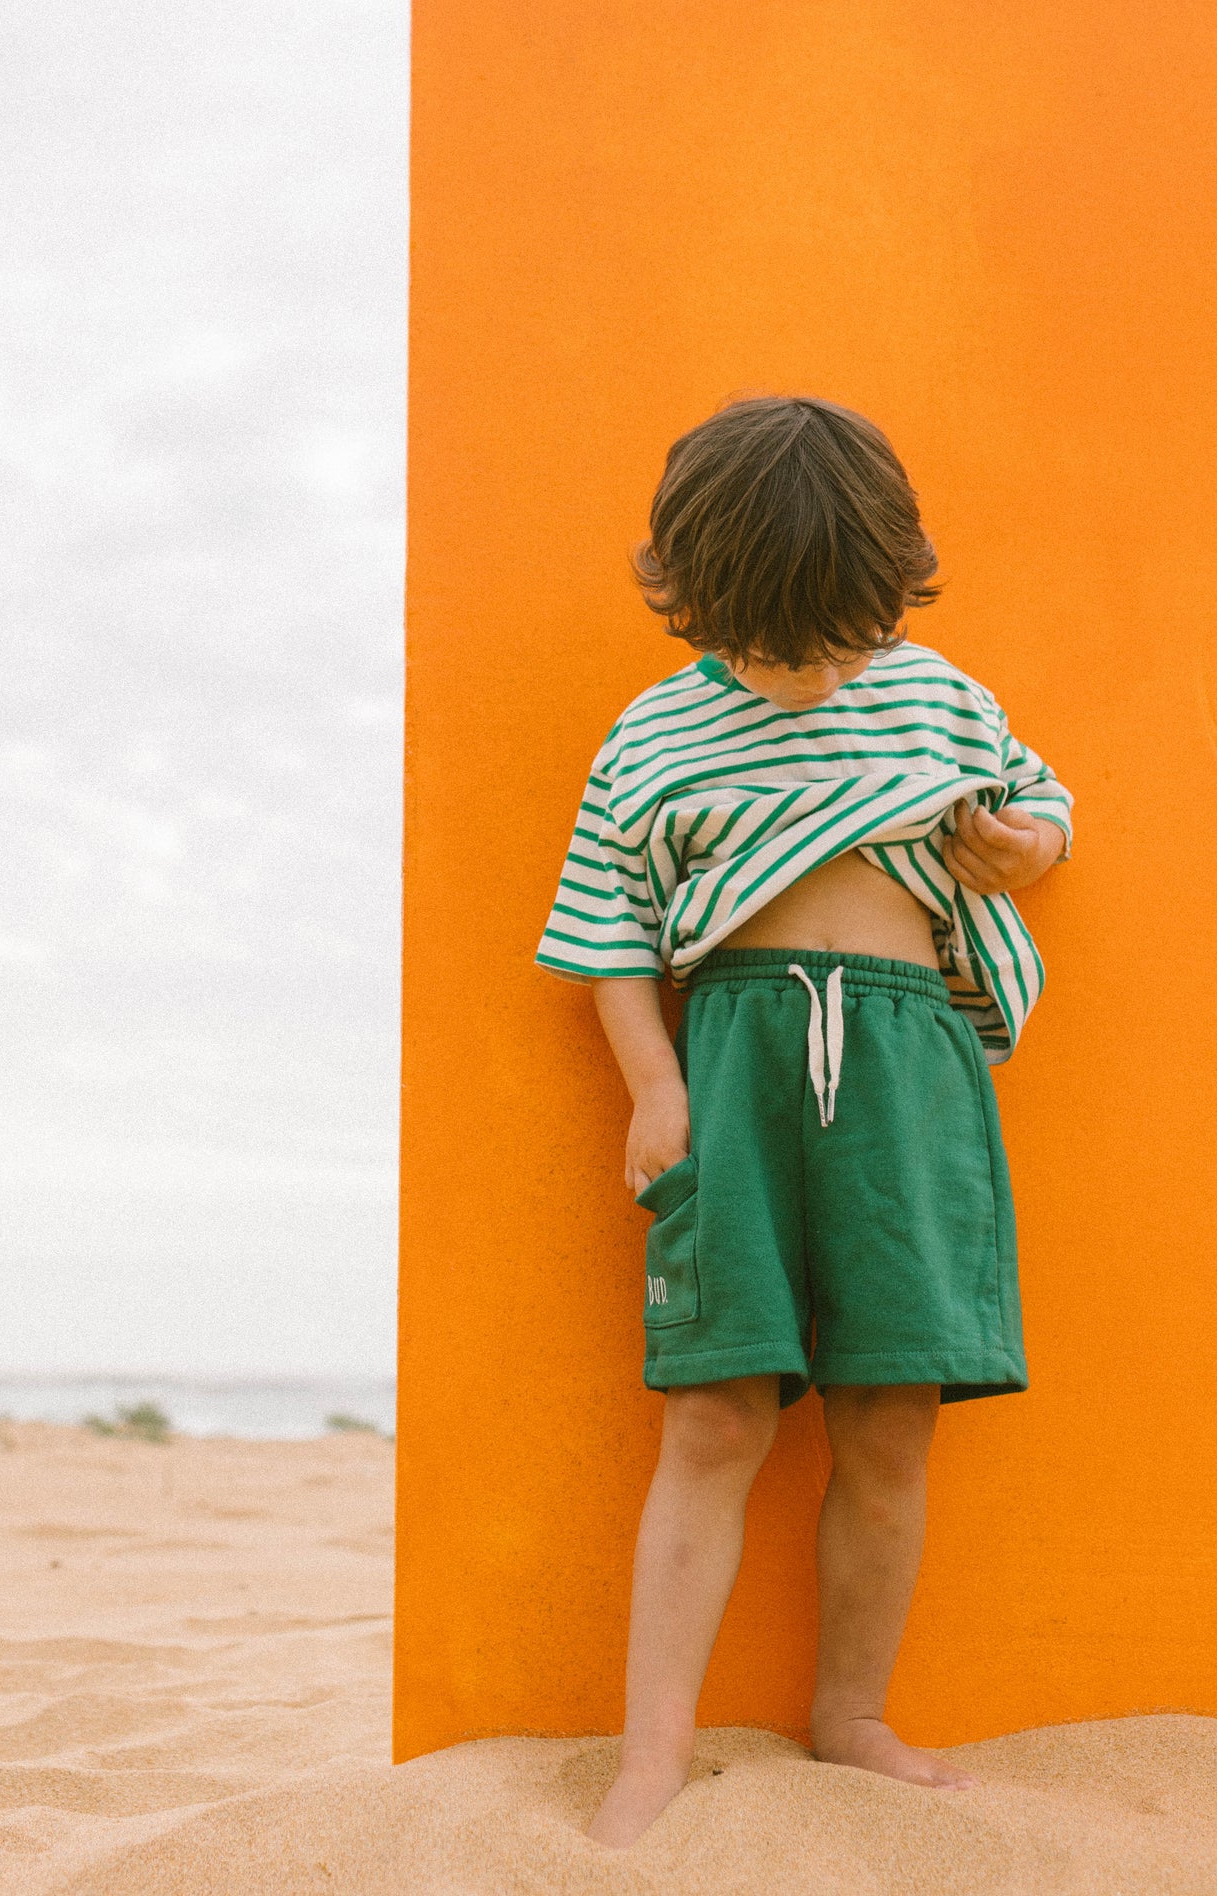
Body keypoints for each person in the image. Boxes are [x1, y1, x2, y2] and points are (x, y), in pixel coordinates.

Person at [535, 395, 1072, 1850]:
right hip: (733, 1069)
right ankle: (651, 1751)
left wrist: (1014, 849)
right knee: (713, 1413)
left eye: (841, 642)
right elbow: (605, 931)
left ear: (891, 590)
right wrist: (656, 1083)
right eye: (777, 650)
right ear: (696, 602)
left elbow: (1039, 814)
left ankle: (849, 1712)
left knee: (890, 1414)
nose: (811, 676)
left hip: (908, 1075)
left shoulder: (937, 695)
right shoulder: (654, 731)